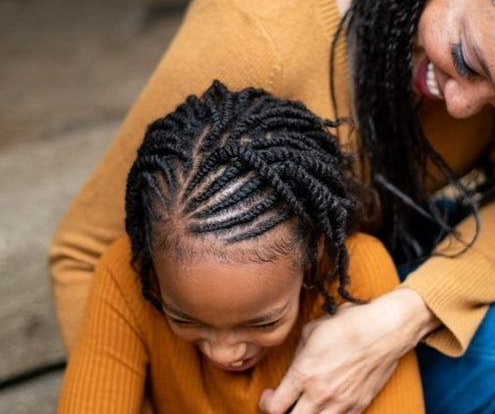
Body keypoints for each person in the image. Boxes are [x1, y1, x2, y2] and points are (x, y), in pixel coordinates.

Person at [49, 0, 495, 412]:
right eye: (465, 60)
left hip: (373, 261)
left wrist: (408, 314)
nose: (463, 109)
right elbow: (87, 253)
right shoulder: (260, 32)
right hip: (282, 308)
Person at [57, 81, 424, 413]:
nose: (225, 352)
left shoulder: (356, 271)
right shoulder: (125, 273)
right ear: (152, 268)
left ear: (312, 258)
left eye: (264, 322)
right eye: (183, 319)